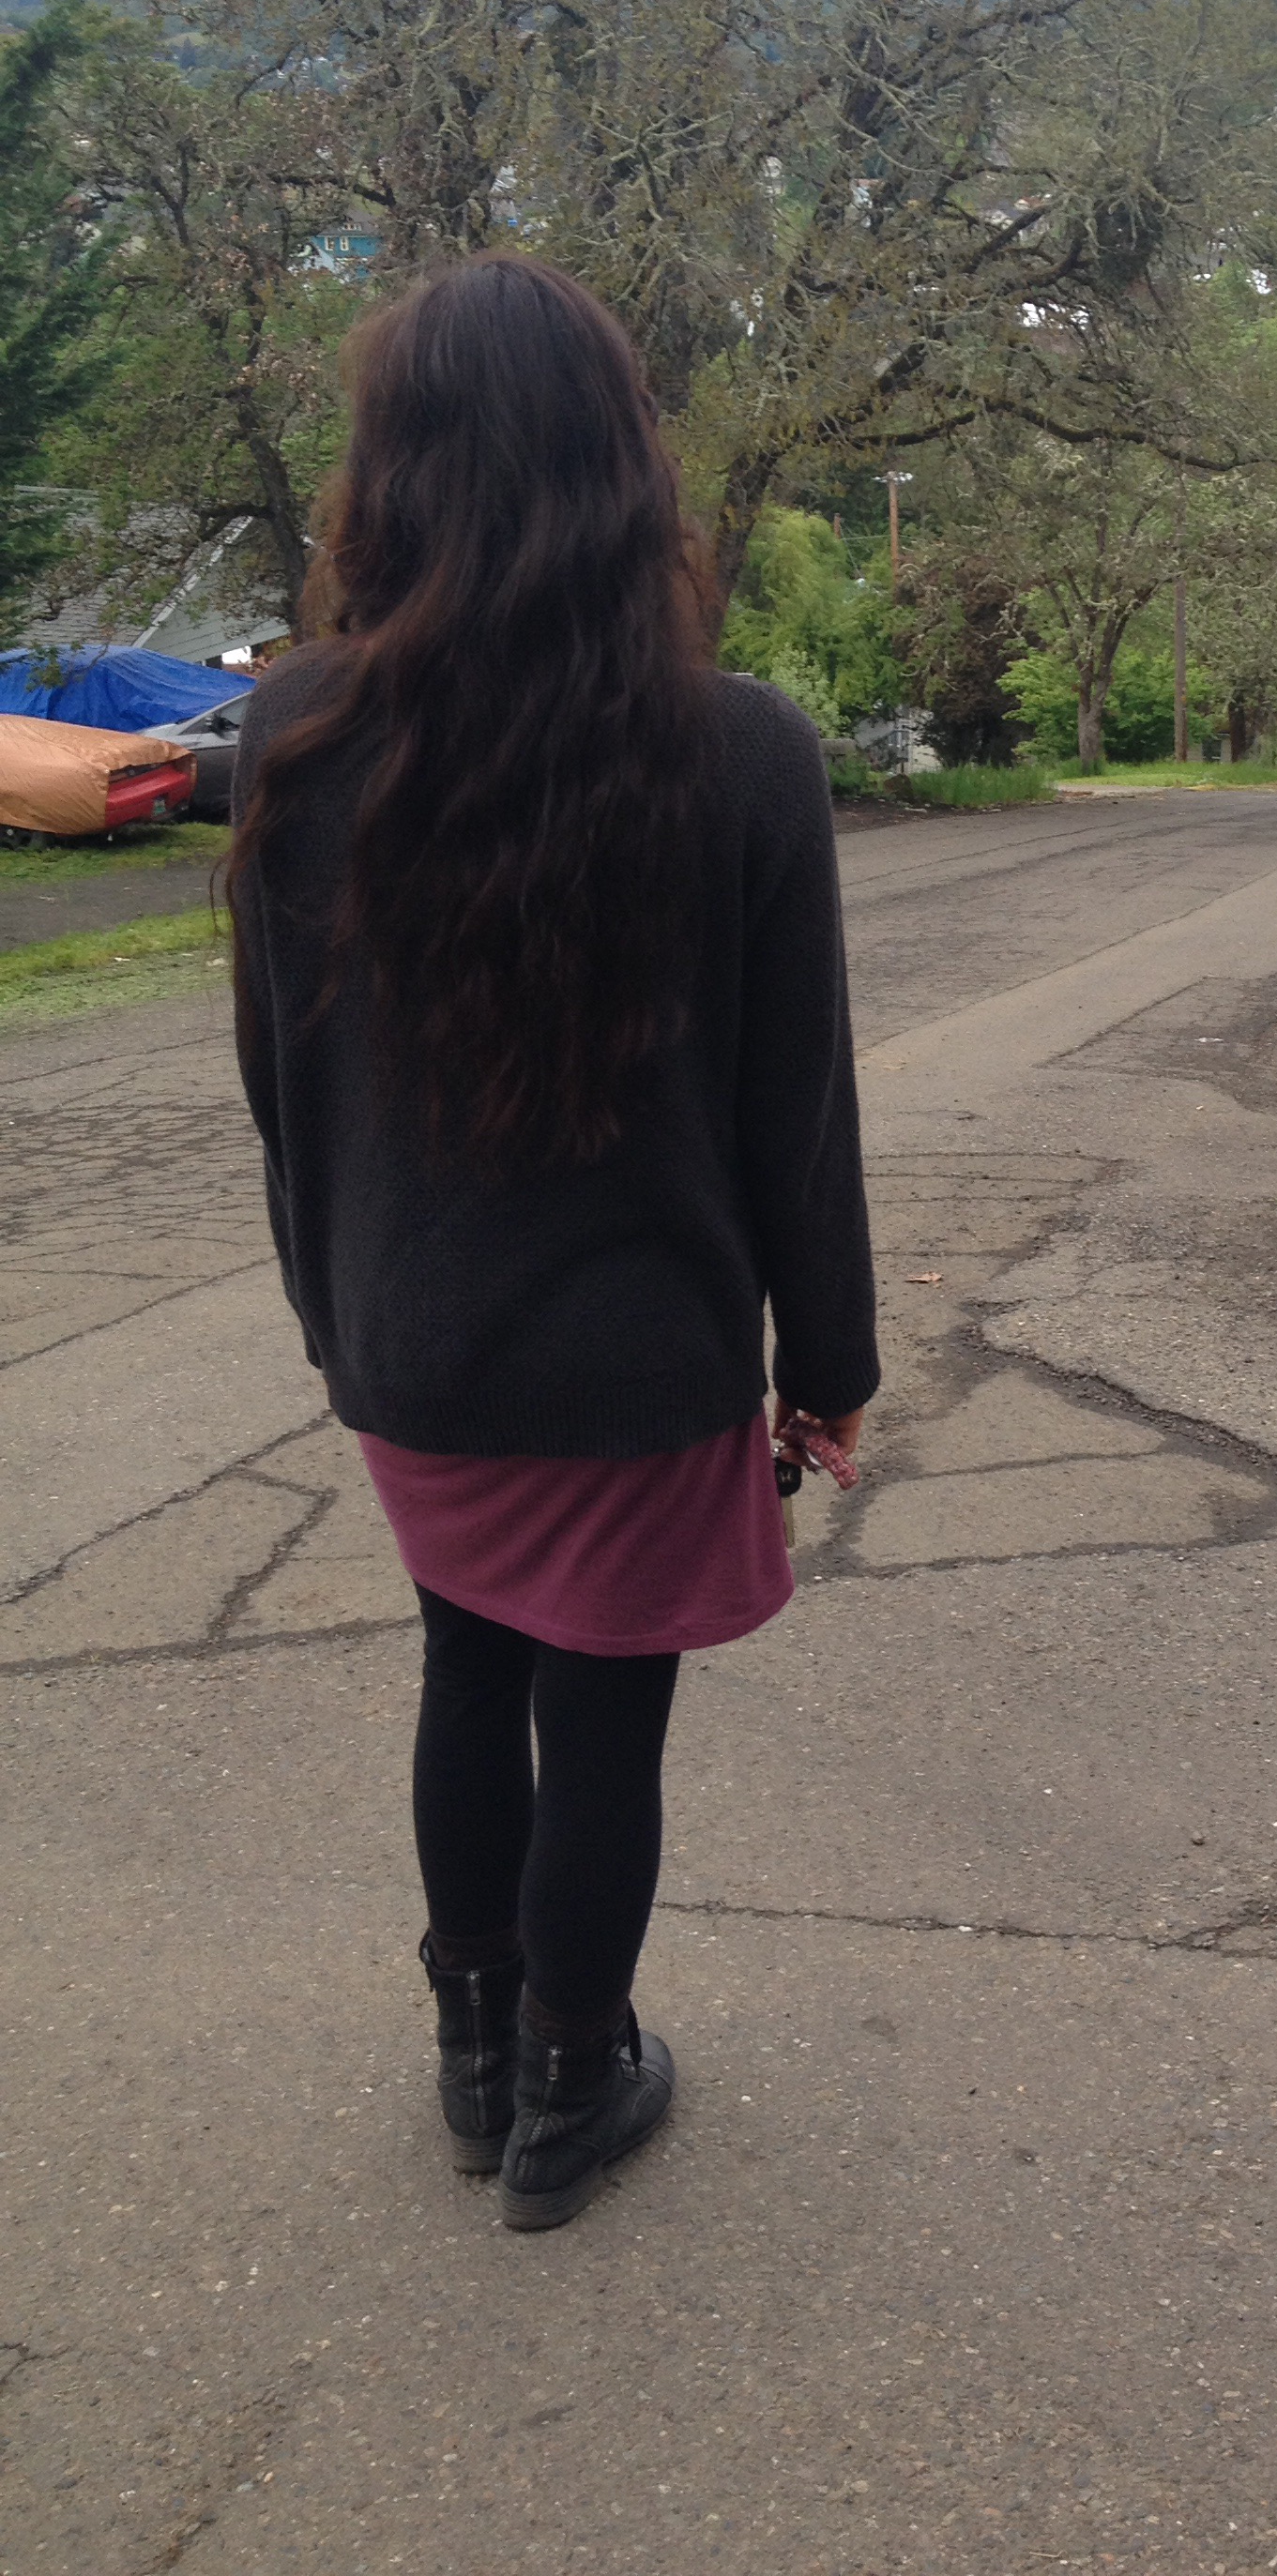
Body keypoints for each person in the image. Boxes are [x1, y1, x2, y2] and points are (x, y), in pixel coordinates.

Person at [229, 252, 876, 2231]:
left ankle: (472, 2055)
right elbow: (797, 1109)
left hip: (411, 1345)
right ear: (624, 466)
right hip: (640, 1358)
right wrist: (828, 1367)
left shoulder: (296, 734)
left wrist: (341, 1322)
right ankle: (573, 2085)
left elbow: (282, 1082)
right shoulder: (742, 749)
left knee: (464, 1664)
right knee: (604, 1715)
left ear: (391, 470)